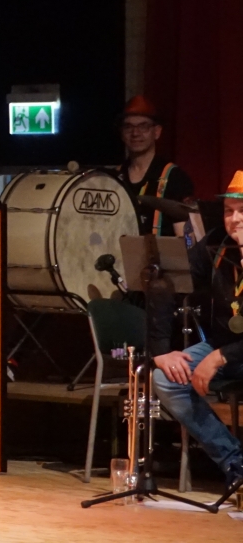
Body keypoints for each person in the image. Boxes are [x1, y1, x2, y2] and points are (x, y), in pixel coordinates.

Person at [149, 170, 243, 495]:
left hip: (228, 352)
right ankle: (235, 462)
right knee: (166, 379)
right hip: (226, 346)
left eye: (242, 211)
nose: (235, 219)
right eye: (229, 211)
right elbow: (167, 282)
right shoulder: (216, 245)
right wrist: (162, 351)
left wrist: (219, 357)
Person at [116, 94, 195, 235]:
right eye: (128, 127)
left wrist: (187, 243)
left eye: (143, 126)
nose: (135, 133)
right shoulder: (114, 177)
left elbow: (187, 239)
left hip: (159, 250)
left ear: (157, 132)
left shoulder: (176, 179)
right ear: (122, 133)